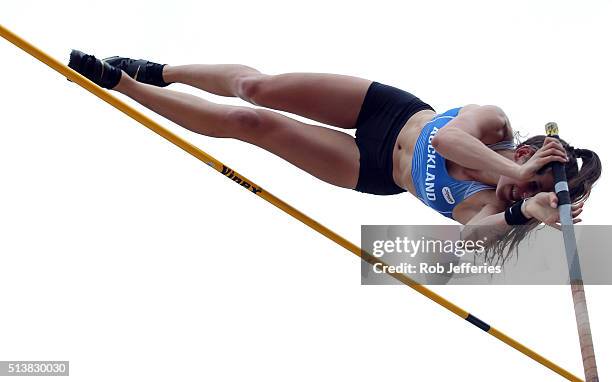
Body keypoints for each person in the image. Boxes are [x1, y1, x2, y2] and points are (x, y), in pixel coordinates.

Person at [67, 50, 600, 239]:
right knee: (258, 88)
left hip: (369, 171)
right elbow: (449, 140)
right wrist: (528, 181)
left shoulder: (492, 206)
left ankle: (126, 87)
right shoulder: (494, 125)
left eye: (515, 199)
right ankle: (159, 70)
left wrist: (523, 212)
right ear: (528, 155)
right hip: (388, 112)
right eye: (521, 183)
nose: (509, 196)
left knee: (251, 123)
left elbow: (471, 240)